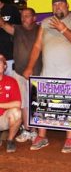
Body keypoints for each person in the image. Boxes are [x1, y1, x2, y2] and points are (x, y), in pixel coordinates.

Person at [23, 0, 71, 153]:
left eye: (61, 4)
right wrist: (30, 67)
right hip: (48, 72)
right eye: (55, 5)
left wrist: (63, 29)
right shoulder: (45, 23)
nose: (58, 7)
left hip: (69, 72)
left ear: (67, 5)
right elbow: (38, 46)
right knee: (44, 105)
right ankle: (42, 136)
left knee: (70, 107)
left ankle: (70, 139)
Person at [0, 8, 41, 142]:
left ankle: (35, 131)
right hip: (19, 73)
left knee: (35, 103)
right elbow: (2, 24)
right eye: (22, 16)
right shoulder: (17, 29)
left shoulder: (41, 30)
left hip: (37, 73)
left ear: (34, 18)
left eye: (27, 16)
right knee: (23, 104)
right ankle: (27, 129)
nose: (24, 18)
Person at [0, 54, 22, 153]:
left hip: (4, 117)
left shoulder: (11, 81)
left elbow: (17, 104)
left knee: (17, 113)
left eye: (0, 63)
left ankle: (10, 140)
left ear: (5, 66)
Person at [0, 0, 21, 76]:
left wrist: (3, 24)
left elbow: (20, 33)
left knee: (13, 86)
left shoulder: (12, 9)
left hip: (10, 59)